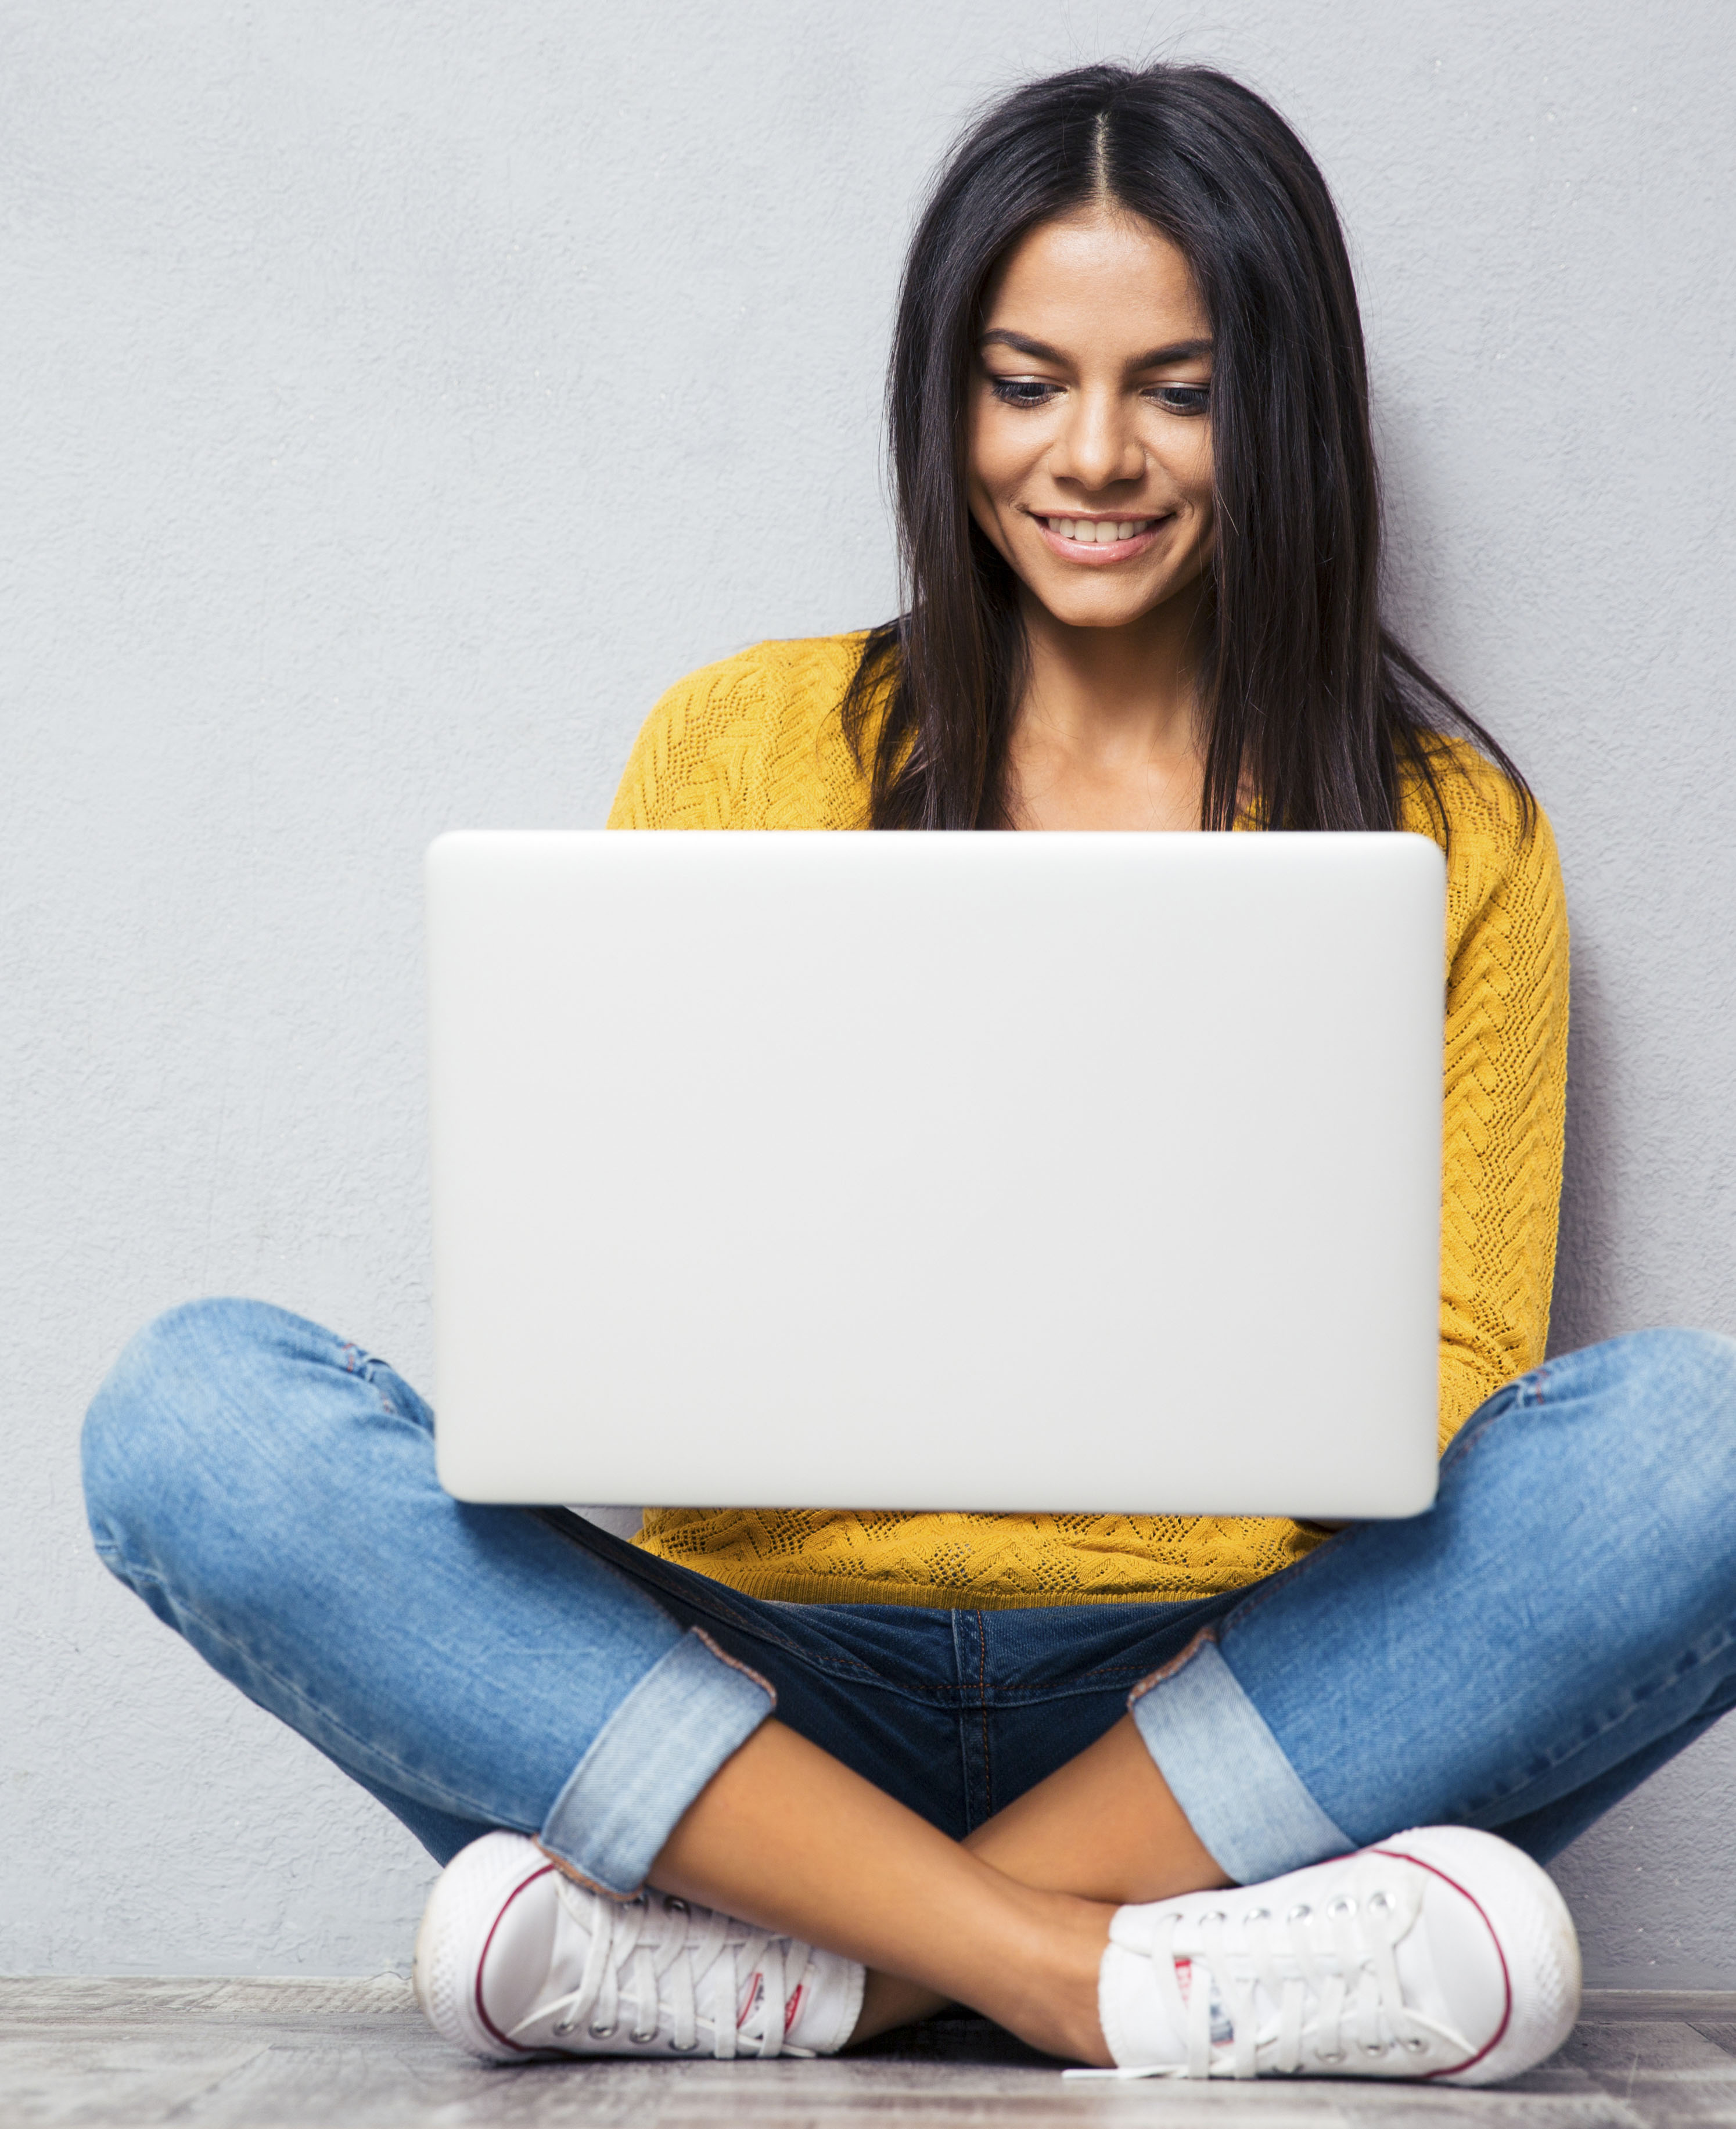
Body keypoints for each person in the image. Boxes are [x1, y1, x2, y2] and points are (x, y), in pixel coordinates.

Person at [81, 62, 1736, 2087]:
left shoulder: (1450, 825)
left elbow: (1465, 1395)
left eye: (1179, 389)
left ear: (1278, 406)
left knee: (1697, 1447)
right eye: (1027, 380)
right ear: (944, 396)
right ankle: (1078, 1978)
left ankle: (823, 1965)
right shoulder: (742, 746)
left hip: (1230, 1705)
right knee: (195, 1422)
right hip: (755, 1691)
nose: (1096, 455)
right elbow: (610, 1323)